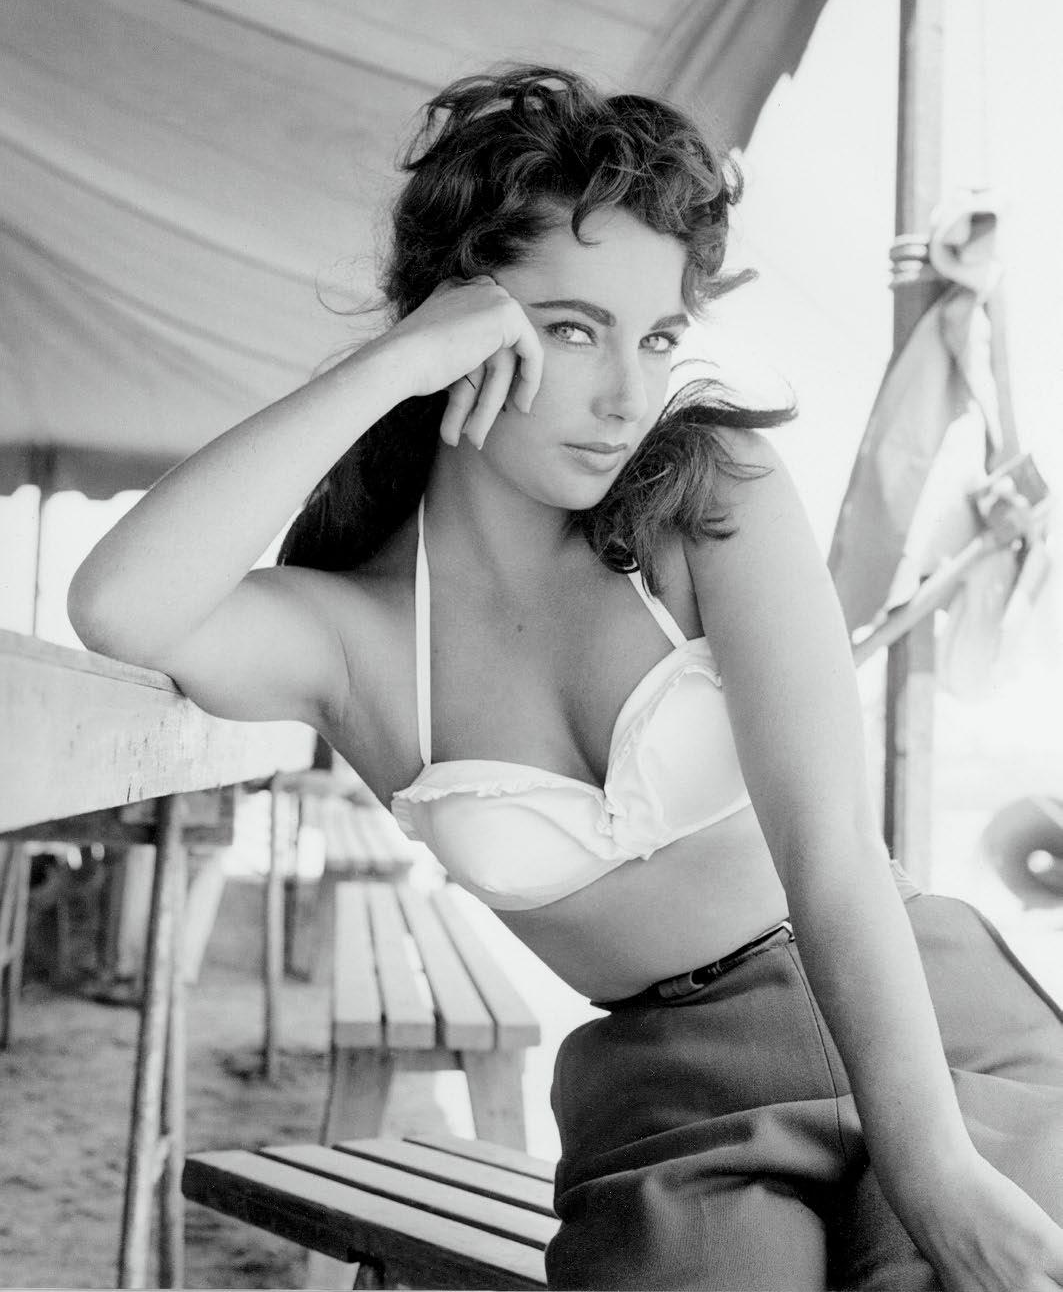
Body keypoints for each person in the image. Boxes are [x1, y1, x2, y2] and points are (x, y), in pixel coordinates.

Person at [68, 66, 1063, 1291]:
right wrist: (392, 366)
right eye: (573, 329)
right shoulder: (352, 638)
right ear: (462, 319)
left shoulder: (709, 499)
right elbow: (120, 605)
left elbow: (832, 853)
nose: (627, 396)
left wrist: (936, 1169)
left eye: (657, 336)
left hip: (915, 1012)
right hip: (669, 1091)